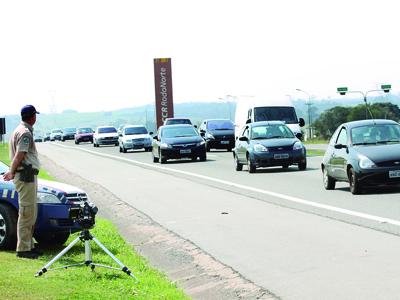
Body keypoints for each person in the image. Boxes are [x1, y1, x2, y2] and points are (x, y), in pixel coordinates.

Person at [3, 105, 41, 259]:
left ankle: (29, 245)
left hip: (26, 176)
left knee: (30, 212)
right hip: (25, 176)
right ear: (32, 117)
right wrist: (11, 171)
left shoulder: (18, 130)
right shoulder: (25, 133)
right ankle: (23, 249)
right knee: (26, 213)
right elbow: (20, 155)